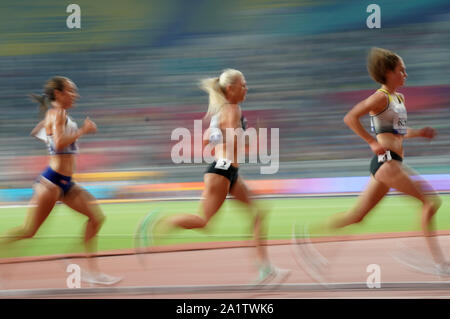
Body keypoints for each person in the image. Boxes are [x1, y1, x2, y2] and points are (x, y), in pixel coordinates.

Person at [293, 47, 448, 281]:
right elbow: (350, 117)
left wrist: (420, 133)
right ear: (388, 72)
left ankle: (308, 239)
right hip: (387, 163)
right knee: (430, 202)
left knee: (357, 217)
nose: (405, 73)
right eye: (401, 70)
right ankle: (428, 258)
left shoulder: (398, 98)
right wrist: (370, 142)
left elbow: (398, 133)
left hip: (389, 163)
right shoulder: (380, 97)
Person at [137, 69, 290, 284]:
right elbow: (234, 141)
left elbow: (209, 142)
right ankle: (155, 224)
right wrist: (248, 137)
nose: (247, 88)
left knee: (258, 213)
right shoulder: (233, 109)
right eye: (243, 85)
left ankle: (265, 268)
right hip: (222, 171)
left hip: (228, 171)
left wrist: (226, 139)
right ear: (231, 88)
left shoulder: (222, 111)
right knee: (204, 222)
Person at [1, 76, 121, 285]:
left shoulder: (58, 115)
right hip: (51, 183)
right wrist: (83, 130)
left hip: (66, 182)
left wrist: (46, 130)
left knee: (96, 218)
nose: (76, 95)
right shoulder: (57, 114)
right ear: (59, 93)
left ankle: (92, 272)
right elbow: (57, 144)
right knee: (28, 232)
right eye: (71, 91)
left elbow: (42, 134)